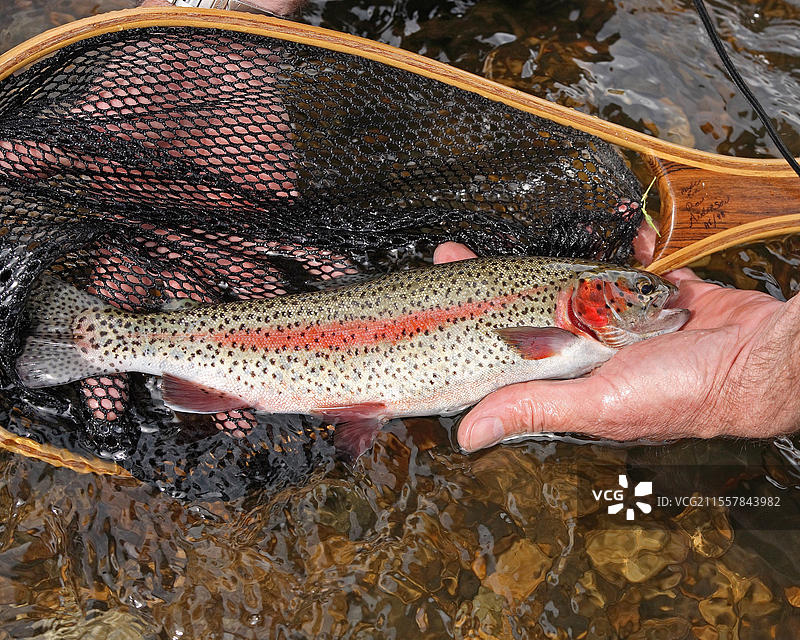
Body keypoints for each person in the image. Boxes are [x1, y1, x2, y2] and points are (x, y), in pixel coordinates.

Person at [135, 0, 800, 451]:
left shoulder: (564, 318)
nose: (661, 297)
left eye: (645, 293)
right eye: (641, 292)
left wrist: (767, 372)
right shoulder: (564, 323)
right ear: (586, 305)